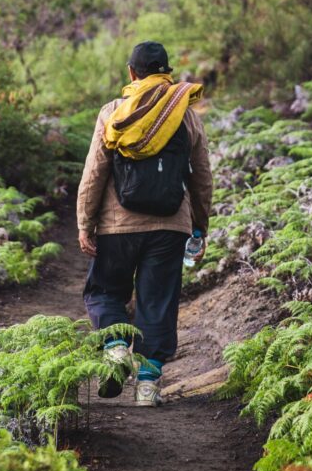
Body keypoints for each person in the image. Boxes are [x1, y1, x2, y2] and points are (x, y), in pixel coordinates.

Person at [76, 41, 213, 407]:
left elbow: (94, 173)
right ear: (166, 72)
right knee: (158, 302)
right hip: (170, 226)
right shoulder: (186, 114)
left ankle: (117, 347)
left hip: (116, 225)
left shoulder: (114, 112)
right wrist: (199, 225)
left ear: (131, 72)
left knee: (103, 291)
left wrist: (84, 223)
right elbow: (201, 176)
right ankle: (148, 387)